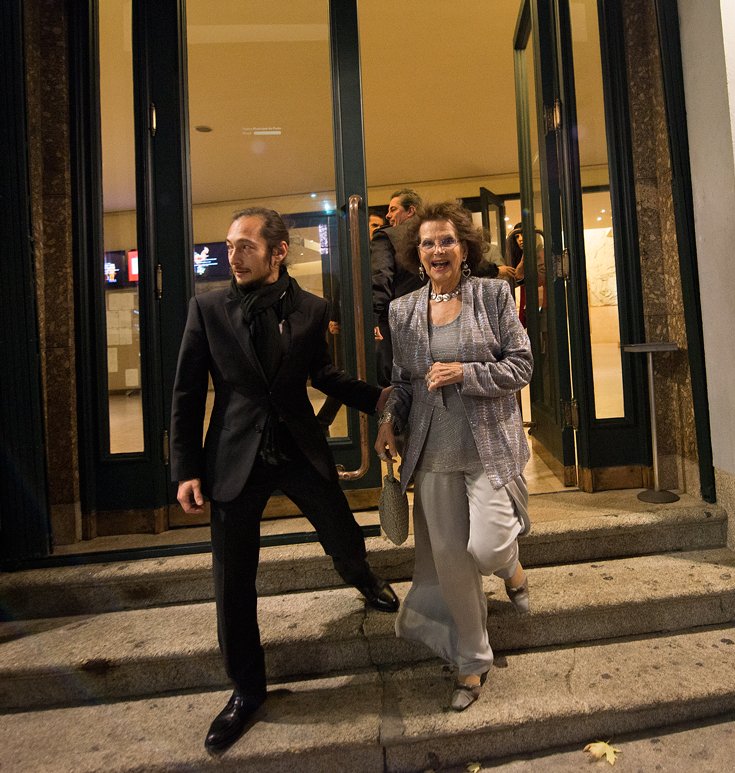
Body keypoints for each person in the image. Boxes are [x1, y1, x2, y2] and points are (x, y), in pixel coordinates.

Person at [170, 207, 400, 754]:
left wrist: (379, 399)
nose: (233, 256)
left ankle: (362, 577)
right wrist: (185, 469)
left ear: (278, 252)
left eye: (246, 246)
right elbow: (186, 394)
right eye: (229, 246)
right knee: (232, 580)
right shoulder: (208, 309)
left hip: (297, 448)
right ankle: (246, 691)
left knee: (343, 535)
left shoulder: (312, 309)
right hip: (234, 456)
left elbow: (324, 375)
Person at [374, 200, 533, 712]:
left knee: (487, 548)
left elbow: (522, 365)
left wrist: (467, 372)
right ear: (416, 253)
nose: (437, 249)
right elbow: (402, 381)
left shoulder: (493, 295)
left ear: (464, 248)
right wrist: (387, 420)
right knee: (451, 564)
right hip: (433, 453)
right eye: (427, 243)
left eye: (446, 240)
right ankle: (471, 660)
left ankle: (511, 567)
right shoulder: (403, 311)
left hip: (488, 448)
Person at [371, 189, 424, 386]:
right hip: (433, 317)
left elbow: (381, 277)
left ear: (410, 211)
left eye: (393, 209)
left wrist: (373, 317)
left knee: (394, 383)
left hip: (396, 321)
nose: (387, 215)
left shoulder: (385, 236)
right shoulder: (432, 236)